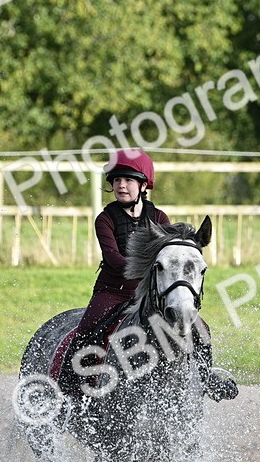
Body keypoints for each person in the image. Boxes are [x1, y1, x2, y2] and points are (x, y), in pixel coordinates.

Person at [61, 149, 236, 401]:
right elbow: (113, 259)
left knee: (200, 328)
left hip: (155, 292)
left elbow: (171, 255)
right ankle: (71, 393)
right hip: (113, 291)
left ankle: (207, 378)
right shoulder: (105, 219)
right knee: (86, 331)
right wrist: (147, 274)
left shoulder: (158, 217)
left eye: (128, 180)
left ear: (143, 185)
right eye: (117, 180)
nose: (121, 185)